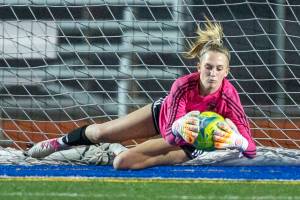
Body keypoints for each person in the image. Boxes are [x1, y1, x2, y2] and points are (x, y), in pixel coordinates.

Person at [27, 19, 256, 169]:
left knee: (122, 163)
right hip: (165, 119)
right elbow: (169, 132)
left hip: (188, 143)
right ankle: (58, 144)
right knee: (101, 132)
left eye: (218, 69)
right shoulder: (183, 85)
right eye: (208, 67)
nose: (212, 73)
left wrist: (238, 141)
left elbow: (251, 148)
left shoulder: (229, 96)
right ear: (198, 67)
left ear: (227, 71)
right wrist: (179, 127)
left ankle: (114, 151)